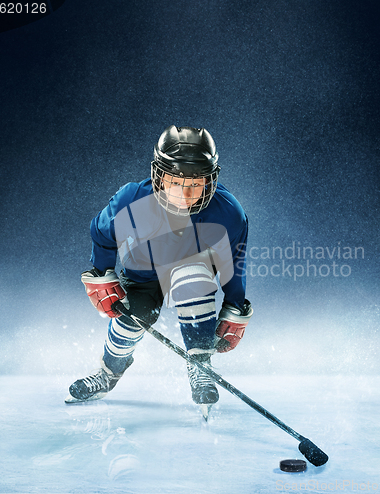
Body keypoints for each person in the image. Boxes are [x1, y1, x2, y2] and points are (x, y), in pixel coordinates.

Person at [66, 125, 253, 417]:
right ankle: (108, 371)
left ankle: (200, 365)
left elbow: (235, 262)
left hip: (193, 269)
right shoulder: (131, 199)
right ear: (158, 176)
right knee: (134, 316)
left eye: (196, 183)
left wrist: (234, 305)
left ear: (211, 180)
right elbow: (101, 232)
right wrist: (101, 273)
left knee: (191, 277)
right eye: (175, 181)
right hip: (143, 273)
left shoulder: (229, 213)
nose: (185, 193)